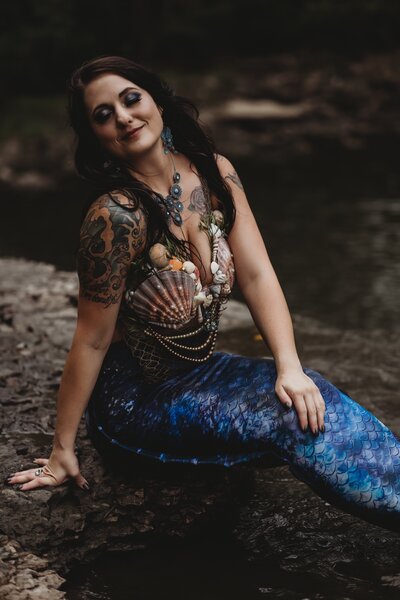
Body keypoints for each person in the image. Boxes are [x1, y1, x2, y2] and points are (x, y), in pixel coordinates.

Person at [6, 56, 400, 533]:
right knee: (292, 423)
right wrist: (61, 450)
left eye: (131, 99)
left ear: (157, 101)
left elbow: (256, 275)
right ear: (96, 137)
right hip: (136, 401)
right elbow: (90, 339)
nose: (124, 117)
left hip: (201, 369)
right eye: (103, 114)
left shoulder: (216, 173)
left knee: (310, 393)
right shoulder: (115, 218)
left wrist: (289, 366)